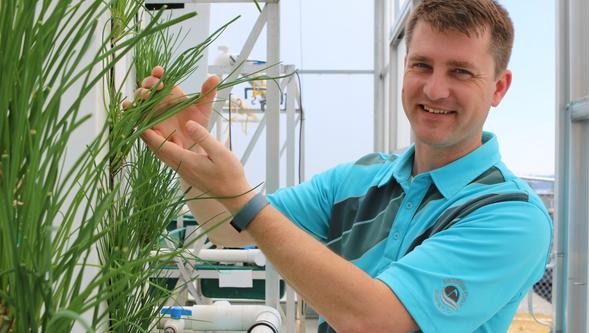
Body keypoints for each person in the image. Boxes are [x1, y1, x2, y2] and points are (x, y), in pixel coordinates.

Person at [135, 0, 552, 331]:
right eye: (421, 65)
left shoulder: (510, 214)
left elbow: (375, 321)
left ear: (499, 88)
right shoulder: (361, 178)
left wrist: (245, 201)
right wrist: (188, 155)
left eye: (461, 72)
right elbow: (227, 229)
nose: (434, 88)